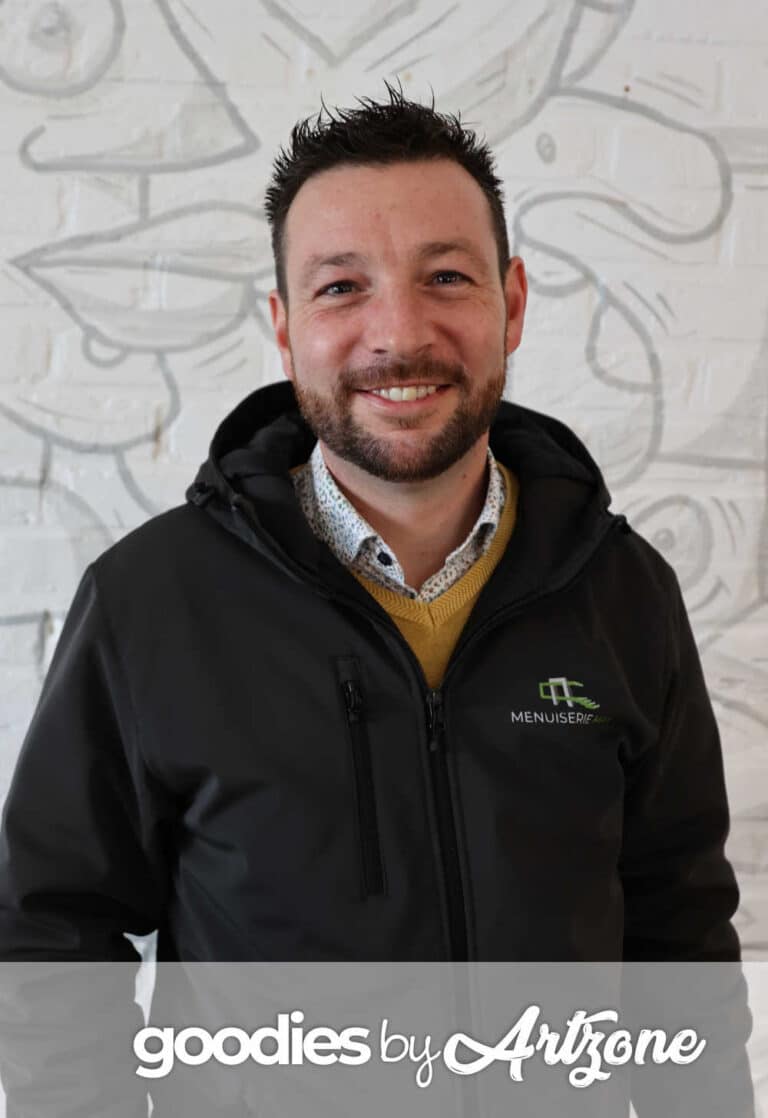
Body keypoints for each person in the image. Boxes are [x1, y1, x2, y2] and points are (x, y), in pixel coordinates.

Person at [0, 83, 744, 965]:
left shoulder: (625, 592)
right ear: (285, 330)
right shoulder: (148, 601)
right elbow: (45, 932)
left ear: (511, 305)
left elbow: (681, 934)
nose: (398, 334)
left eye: (446, 277)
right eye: (342, 287)